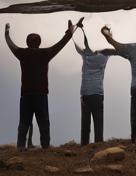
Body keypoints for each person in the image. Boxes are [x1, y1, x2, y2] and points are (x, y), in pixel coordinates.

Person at [5, 18, 83, 149]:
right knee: (43, 123)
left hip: (26, 94)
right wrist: (69, 34)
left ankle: (20, 148)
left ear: (27, 43)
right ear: (39, 43)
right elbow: (61, 44)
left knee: (24, 123)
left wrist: (6, 32)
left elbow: (10, 43)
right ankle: (45, 147)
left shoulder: (22, 53)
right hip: (41, 94)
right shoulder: (45, 53)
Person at [74, 29, 117, 146]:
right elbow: (114, 49)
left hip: (85, 93)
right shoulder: (103, 57)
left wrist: (77, 31)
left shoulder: (85, 55)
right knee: (98, 122)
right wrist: (109, 36)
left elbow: (79, 46)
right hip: (97, 94)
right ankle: (98, 144)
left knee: (85, 123)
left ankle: (84, 145)